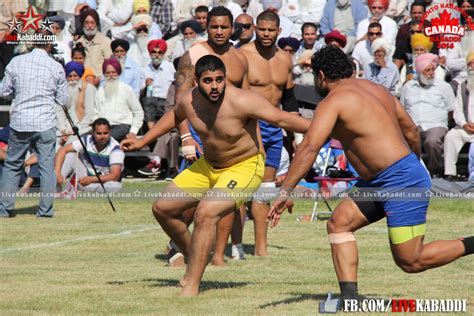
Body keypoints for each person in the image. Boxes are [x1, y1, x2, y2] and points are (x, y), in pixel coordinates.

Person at [269, 46, 474, 303]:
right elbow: (410, 130)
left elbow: (310, 146)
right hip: (382, 180)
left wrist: (285, 191)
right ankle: (350, 299)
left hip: (400, 181)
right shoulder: (376, 89)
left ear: (321, 75)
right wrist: (413, 162)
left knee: (411, 260)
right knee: (339, 222)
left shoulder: (331, 102)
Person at [121, 55, 311, 296]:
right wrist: (142, 141)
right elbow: (174, 117)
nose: (214, 86)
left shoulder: (243, 101)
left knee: (205, 212)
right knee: (162, 208)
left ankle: (191, 284)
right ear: (197, 81)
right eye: (208, 81)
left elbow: (283, 118)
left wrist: (328, 128)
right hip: (208, 166)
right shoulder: (188, 100)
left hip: (244, 167)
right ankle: (195, 256)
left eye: (219, 80)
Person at [173, 6, 250, 266]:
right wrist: (186, 137)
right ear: (207, 27)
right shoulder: (193, 54)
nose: (219, 31)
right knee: (187, 201)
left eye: (224, 27)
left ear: (233, 29)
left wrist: (255, 144)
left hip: (230, 136)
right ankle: (178, 245)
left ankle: (217, 255)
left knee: (225, 200)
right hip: (197, 129)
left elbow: (249, 107)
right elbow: (179, 101)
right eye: (214, 26)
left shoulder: (240, 59)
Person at [240, 10, 300, 257]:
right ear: (255, 29)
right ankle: (233, 245)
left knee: (265, 189)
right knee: (241, 188)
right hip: (248, 126)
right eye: (261, 29)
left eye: (270, 30)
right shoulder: (242, 55)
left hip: (275, 128)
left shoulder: (285, 59)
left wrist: (297, 136)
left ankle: (261, 249)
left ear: (279, 31)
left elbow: (289, 98)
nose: (266, 34)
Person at [0, 31, 68, 218]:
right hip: (45, 122)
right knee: (47, 167)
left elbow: (4, 91)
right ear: (48, 45)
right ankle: (45, 211)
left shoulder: (16, 62)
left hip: (20, 121)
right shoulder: (56, 66)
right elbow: (63, 99)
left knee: (12, 165)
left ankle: (4, 209)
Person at [401, 53, 455, 177]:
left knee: (432, 142)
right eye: (427, 70)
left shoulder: (443, 87)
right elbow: (403, 109)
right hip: (413, 126)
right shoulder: (408, 87)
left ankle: (435, 171)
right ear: (419, 71)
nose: (431, 72)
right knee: (408, 141)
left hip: (435, 125)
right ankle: (413, 173)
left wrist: (443, 123)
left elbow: (451, 110)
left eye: (432, 69)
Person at [55, 118, 124, 193]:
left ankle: (76, 187)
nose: (102, 137)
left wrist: (91, 179)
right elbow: (62, 150)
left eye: (105, 133)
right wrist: (58, 173)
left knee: (115, 186)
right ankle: (56, 187)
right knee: (70, 154)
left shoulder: (115, 148)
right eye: (99, 133)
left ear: (109, 132)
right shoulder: (86, 140)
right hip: (83, 177)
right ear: (93, 132)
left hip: (102, 182)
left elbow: (115, 176)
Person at [94, 58, 144, 142]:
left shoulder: (126, 89)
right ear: (104, 74)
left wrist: (133, 132)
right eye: (108, 73)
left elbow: (138, 112)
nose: (111, 75)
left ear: (118, 73)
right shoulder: (100, 91)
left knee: (105, 139)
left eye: (113, 72)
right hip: (103, 127)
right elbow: (95, 113)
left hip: (122, 126)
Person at [444, 52, 474, 181]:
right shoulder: (462, 86)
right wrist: (464, 124)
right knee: (451, 136)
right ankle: (450, 173)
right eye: (470, 64)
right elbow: (458, 109)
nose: (472, 67)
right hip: (466, 127)